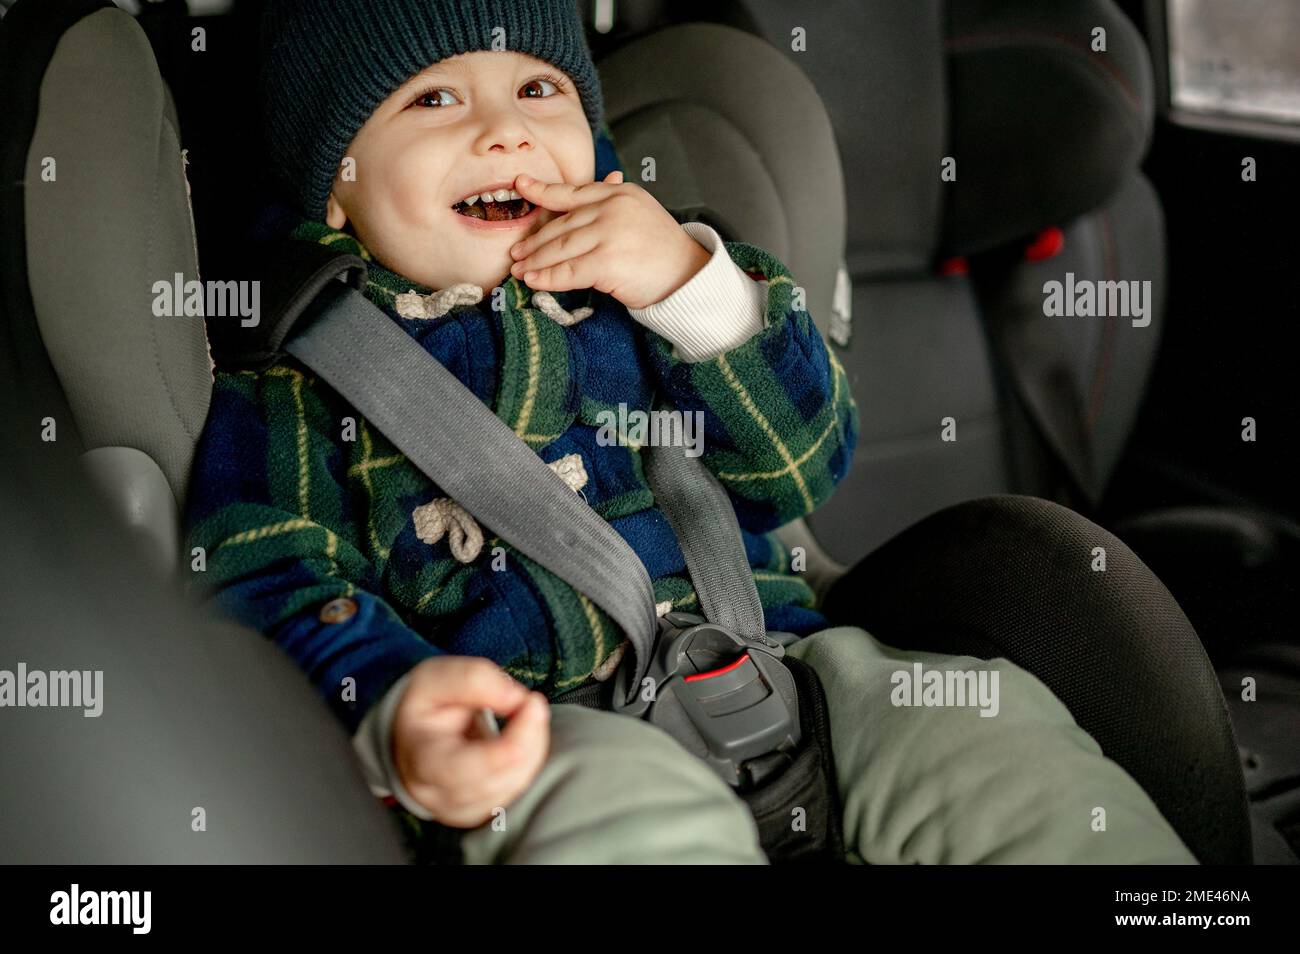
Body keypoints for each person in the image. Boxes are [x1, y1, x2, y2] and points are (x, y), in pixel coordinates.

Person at [183, 0, 1196, 864]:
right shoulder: (305, 372)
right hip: (540, 728)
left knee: (989, 731)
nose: (505, 132)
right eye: (433, 100)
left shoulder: (662, 282)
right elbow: (262, 573)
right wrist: (394, 703)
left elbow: (801, 469)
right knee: (616, 822)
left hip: (785, 669)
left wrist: (688, 287)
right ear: (337, 181)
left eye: (540, 90)